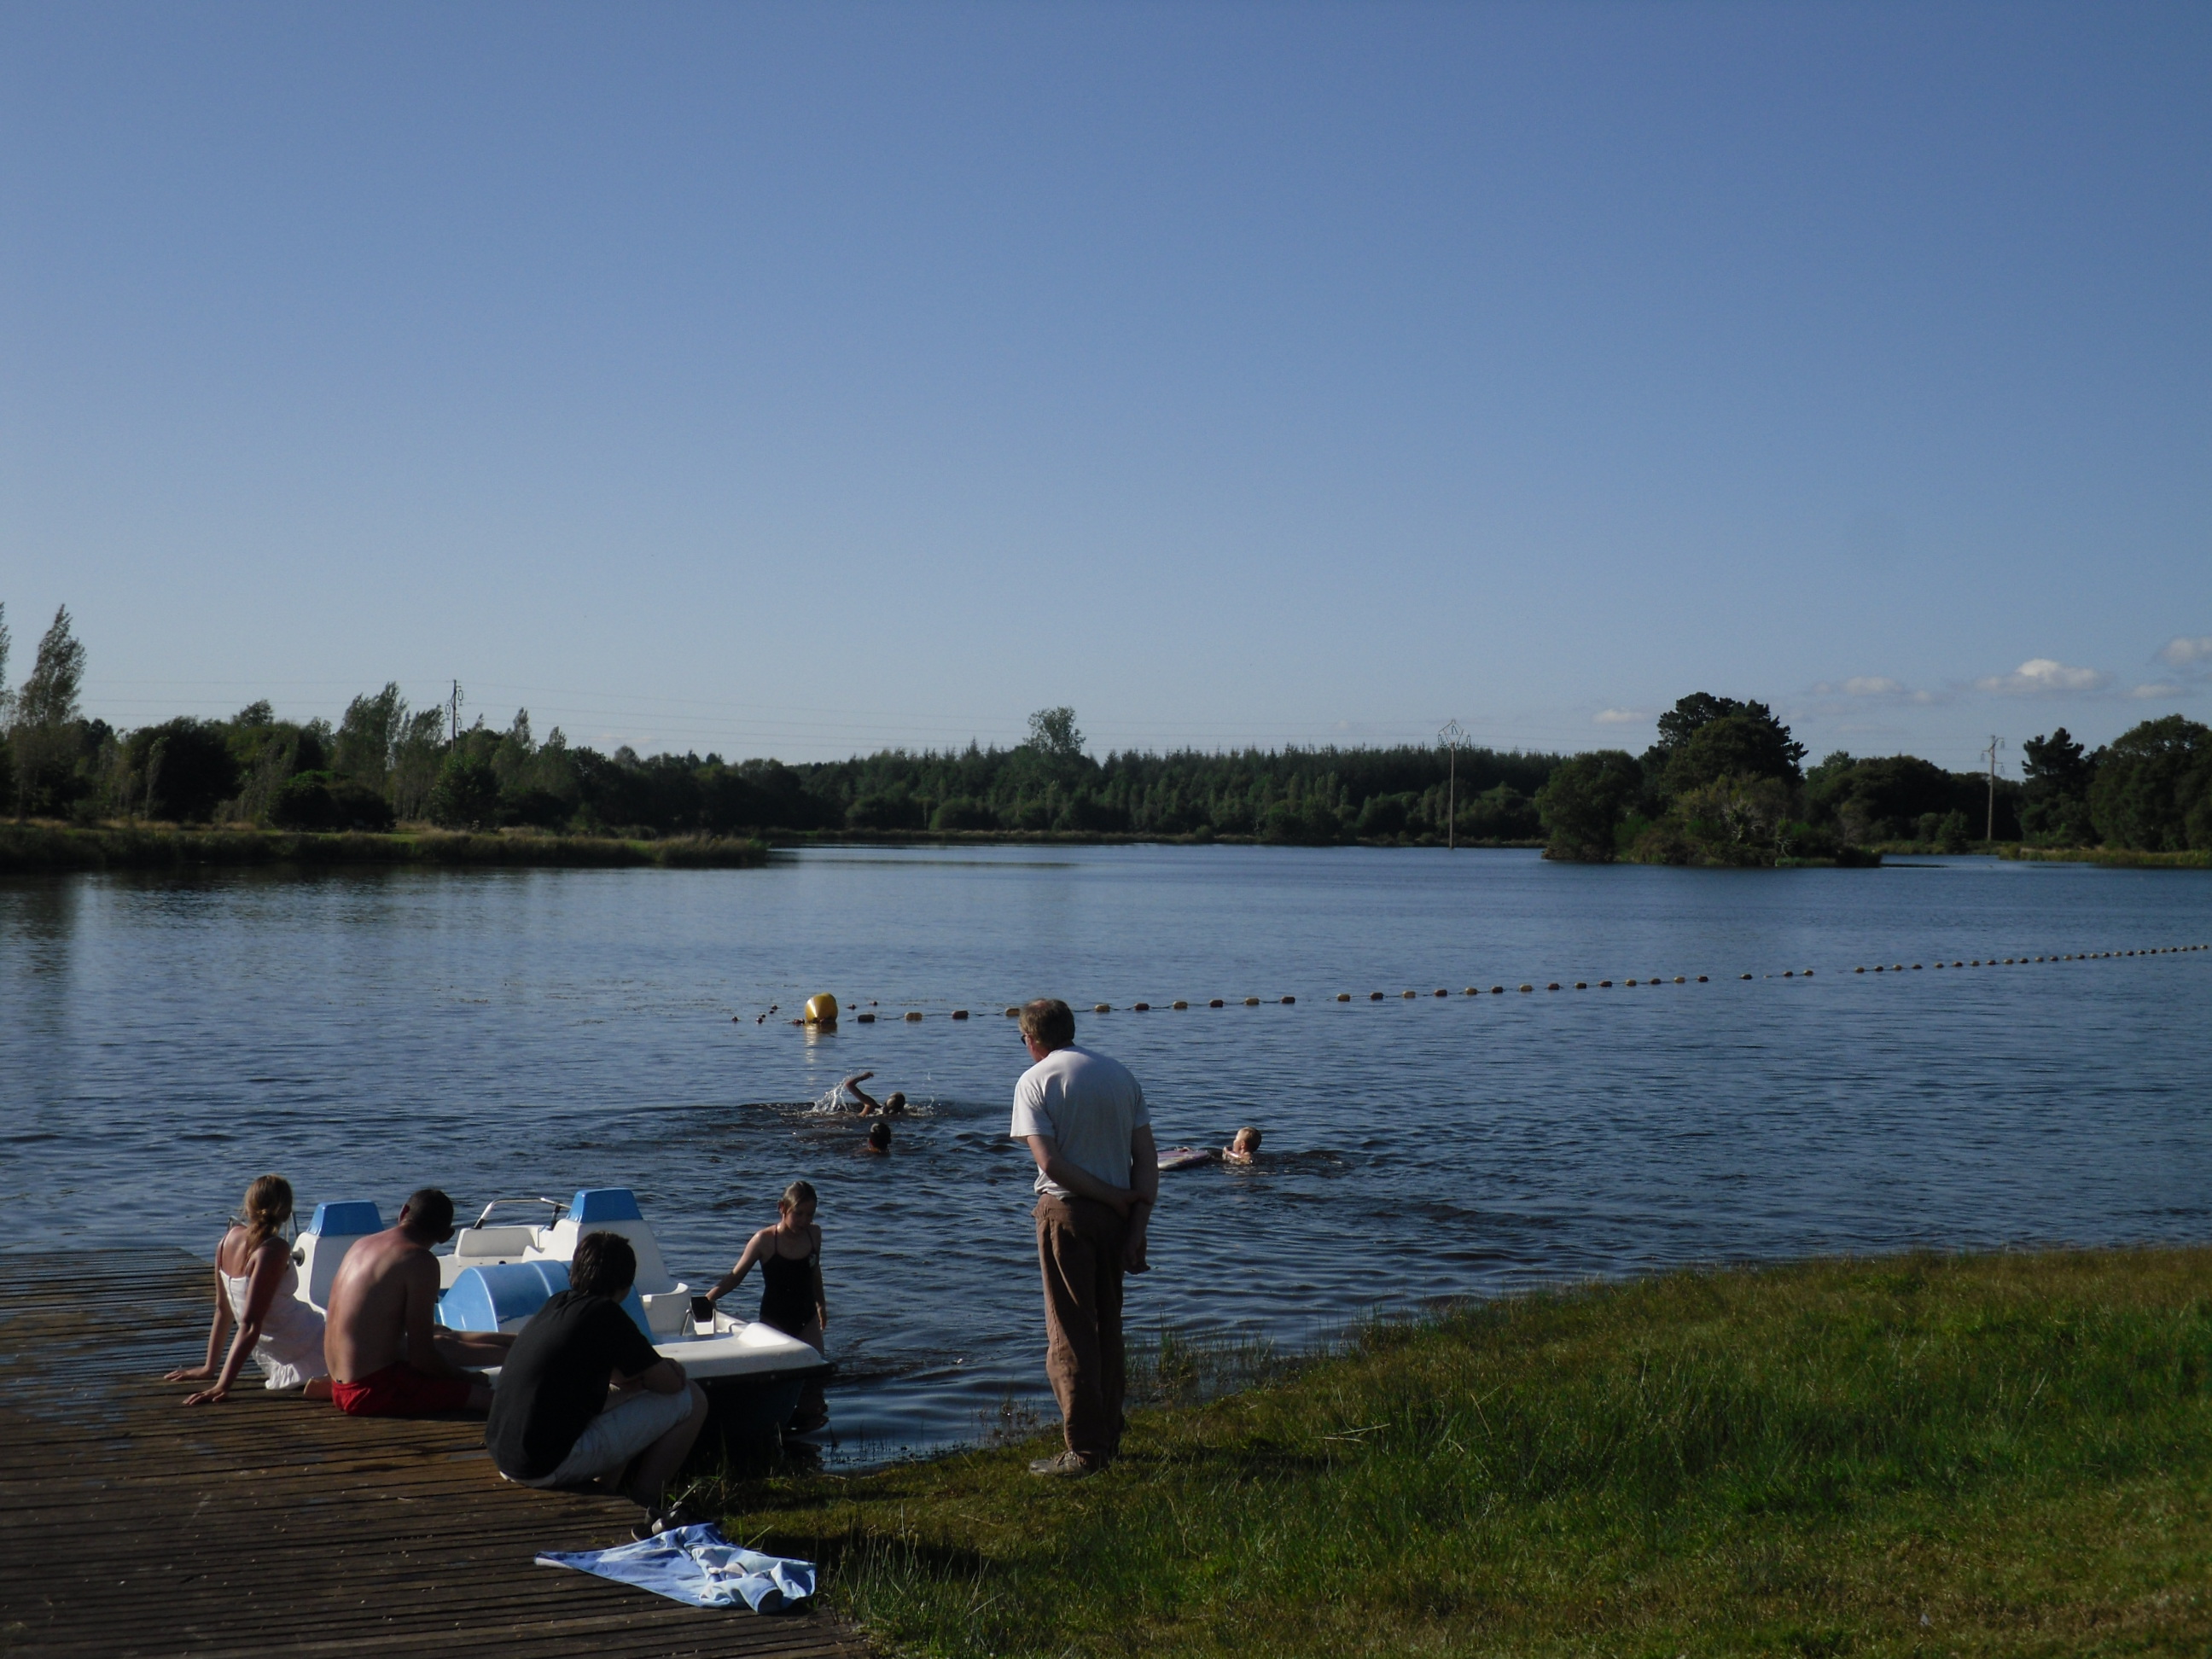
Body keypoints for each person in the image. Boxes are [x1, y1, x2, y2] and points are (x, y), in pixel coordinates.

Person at [1010, 997, 1157, 1477]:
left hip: (1066, 1215)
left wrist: (1113, 1198)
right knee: (1108, 1328)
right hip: (1116, 1222)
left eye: (1023, 1039)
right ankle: (1108, 1434)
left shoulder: (1035, 1080)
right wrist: (1136, 1223)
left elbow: (1049, 1164)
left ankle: (1085, 1452)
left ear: (1032, 1038)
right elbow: (1147, 1159)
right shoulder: (1119, 1074)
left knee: (1070, 1333)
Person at [485, 1231, 708, 1539]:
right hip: (543, 1465)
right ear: (625, 1286)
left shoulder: (557, 1304)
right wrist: (670, 1368)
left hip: (507, 1454)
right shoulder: (606, 1315)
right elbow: (670, 1386)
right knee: (692, 1399)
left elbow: (615, 1374)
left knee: (631, 1395)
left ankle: (610, 1489)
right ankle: (643, 1504)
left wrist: (639, 1378)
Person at [323, 1187, 514, 1416]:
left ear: (404, 1212)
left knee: (441, 1333)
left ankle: (519, 1343)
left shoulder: (362, 1244)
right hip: (372, 1391)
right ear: (447, 1235)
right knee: (498, 1401)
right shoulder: (419, 1260)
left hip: (340, 1386)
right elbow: (422, 1358)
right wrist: (468, 1379)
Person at [166, 1174, 333, 1406]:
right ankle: (334, 1383)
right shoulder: (274, 1249)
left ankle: (328, 1382)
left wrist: (209, 1368)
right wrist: (222, 1386)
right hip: (308, 1341)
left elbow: (223, 1310)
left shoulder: (226, 1240)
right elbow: (250, 1325)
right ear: (286, 1212)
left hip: (288, 1347)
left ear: (248, 1206)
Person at [703, 1180, 829, 1430]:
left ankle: (810, 1428)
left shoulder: (814, 1235)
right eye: (798, 1214)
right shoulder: (764, 1240)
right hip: (774, 1319)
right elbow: (736, 1275)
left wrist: (821, 1305)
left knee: (816, 1375)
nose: (804, 1221)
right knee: (778, 1378)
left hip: (806, 1318)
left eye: (810, 1215)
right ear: (782, 1208)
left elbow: (815, 1272)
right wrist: (708, 1299)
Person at [840, 1072, 906, 1115]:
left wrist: (863, 1077)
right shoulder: (904, 1115)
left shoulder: (872, 1105)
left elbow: (849, 1085)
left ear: (886, 1102)